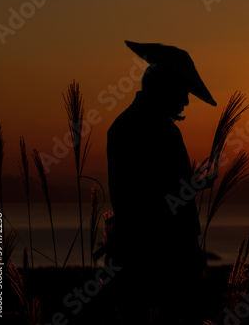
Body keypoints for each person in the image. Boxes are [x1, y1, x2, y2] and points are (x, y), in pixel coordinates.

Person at [104, 41, 217, 324]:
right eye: (183, 91)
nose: (187, 101)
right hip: (164, 261)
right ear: (164, 88)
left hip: (132, 257)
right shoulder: (162, 132)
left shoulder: (122, 126)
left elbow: (144, 192)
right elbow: (158, 202)